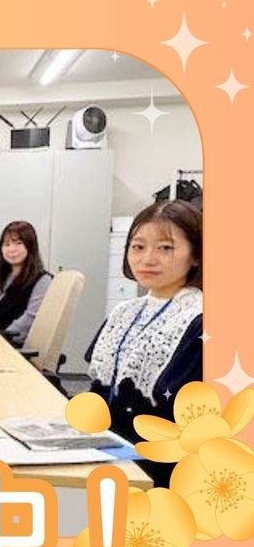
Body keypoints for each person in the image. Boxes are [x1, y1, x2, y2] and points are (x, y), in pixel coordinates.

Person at [85, 200, 203, 486]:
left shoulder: (199, 320)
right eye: (138, 247)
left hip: (156, 471)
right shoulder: (124, 312)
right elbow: (98, 390)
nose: (147, 259)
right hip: (106, 446)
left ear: (196, 256)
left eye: (165, 248)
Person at [0, 221, 52, 346]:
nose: (11, 250)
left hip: (11, 346)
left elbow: (29, 320)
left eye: (18, 243)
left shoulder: (42, 280)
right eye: (7, 244)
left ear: (30, 246)